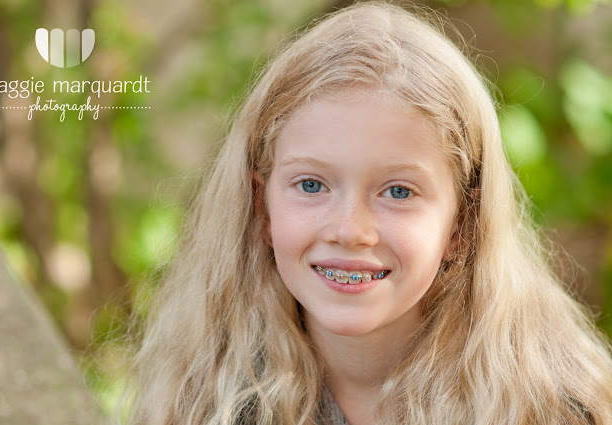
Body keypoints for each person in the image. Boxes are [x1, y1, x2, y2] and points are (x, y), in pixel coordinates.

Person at [119, 2, 612, 424]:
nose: (350, 230)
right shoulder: (200, 400)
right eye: (311, 185)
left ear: (463, 223)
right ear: (260, 207)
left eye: (398, 191)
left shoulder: (557, 408)